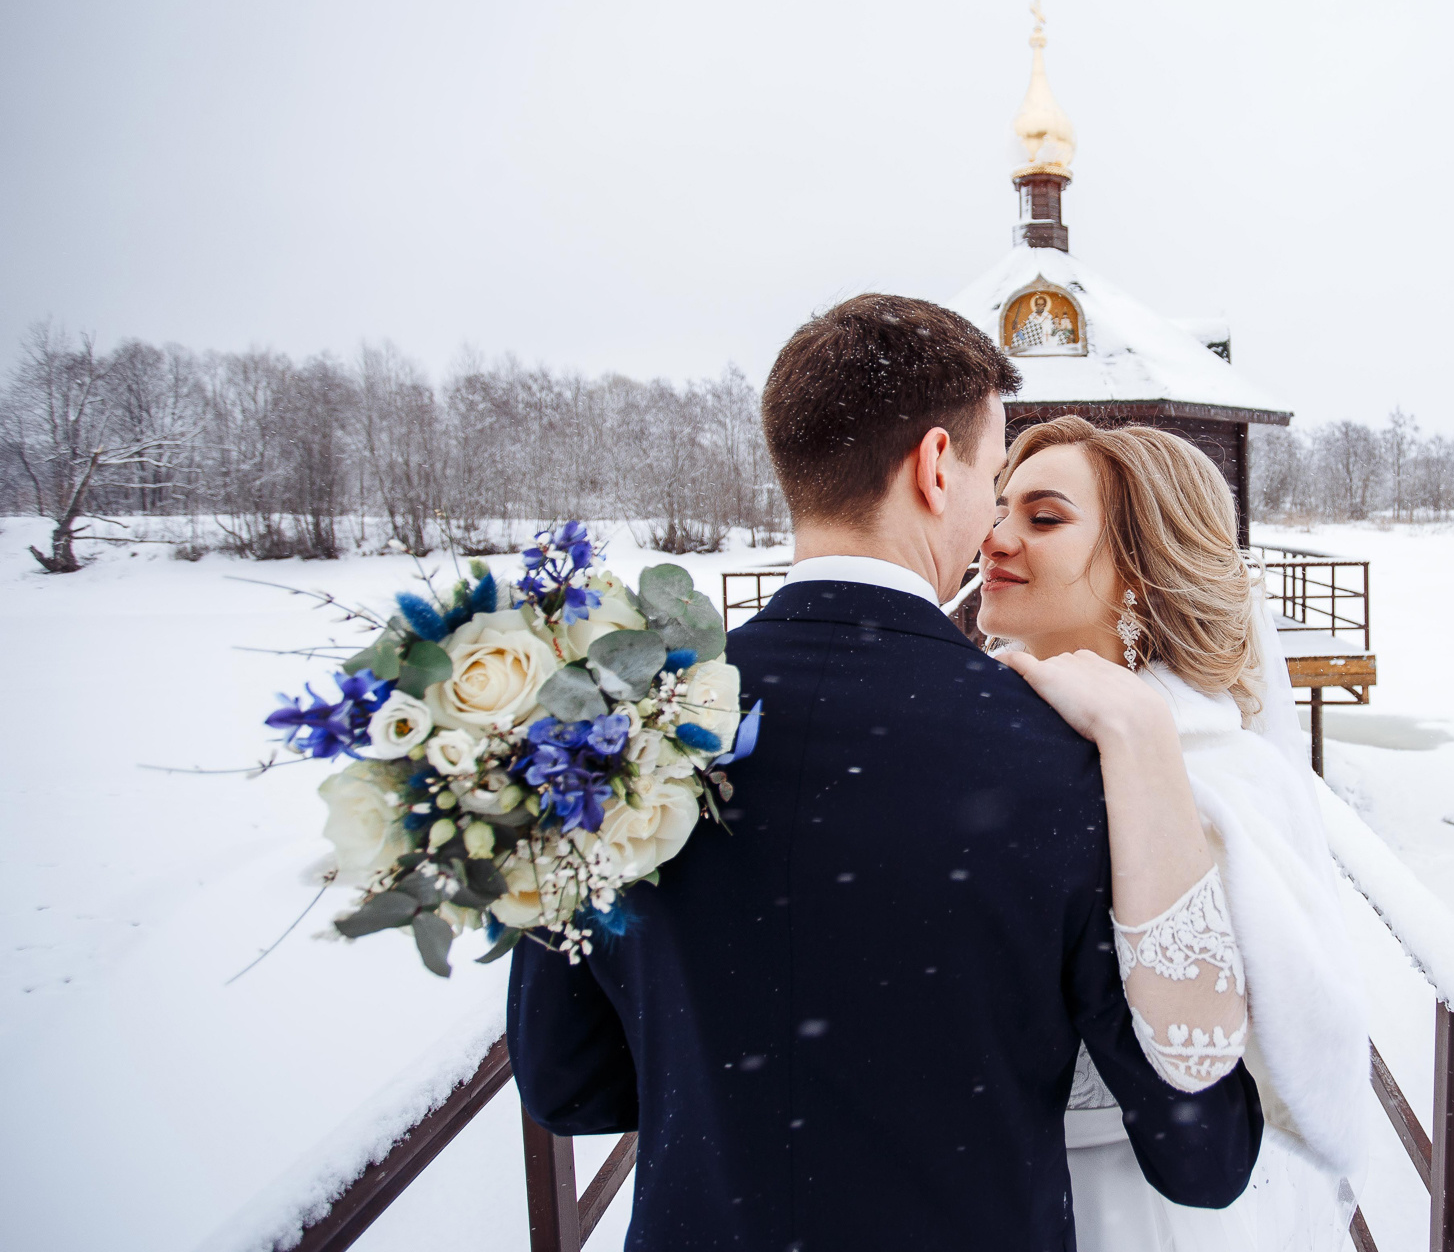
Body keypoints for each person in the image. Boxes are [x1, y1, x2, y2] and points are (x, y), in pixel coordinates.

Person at [506, 295, 1263, 1252]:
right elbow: (1204, 1154)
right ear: (937, 467)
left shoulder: (614, 727)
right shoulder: (1058, 757)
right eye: (997, 475)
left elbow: (569, 1083)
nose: (995, 520)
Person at [979, 416, 1370, 1252]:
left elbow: (1219, 1055)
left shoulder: (1218, 776)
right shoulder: (970, 734)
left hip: (1142, 1204)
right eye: (997, 505)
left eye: (1043, 519)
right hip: (984, 1190)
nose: (995, 537)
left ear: (1141, 576)